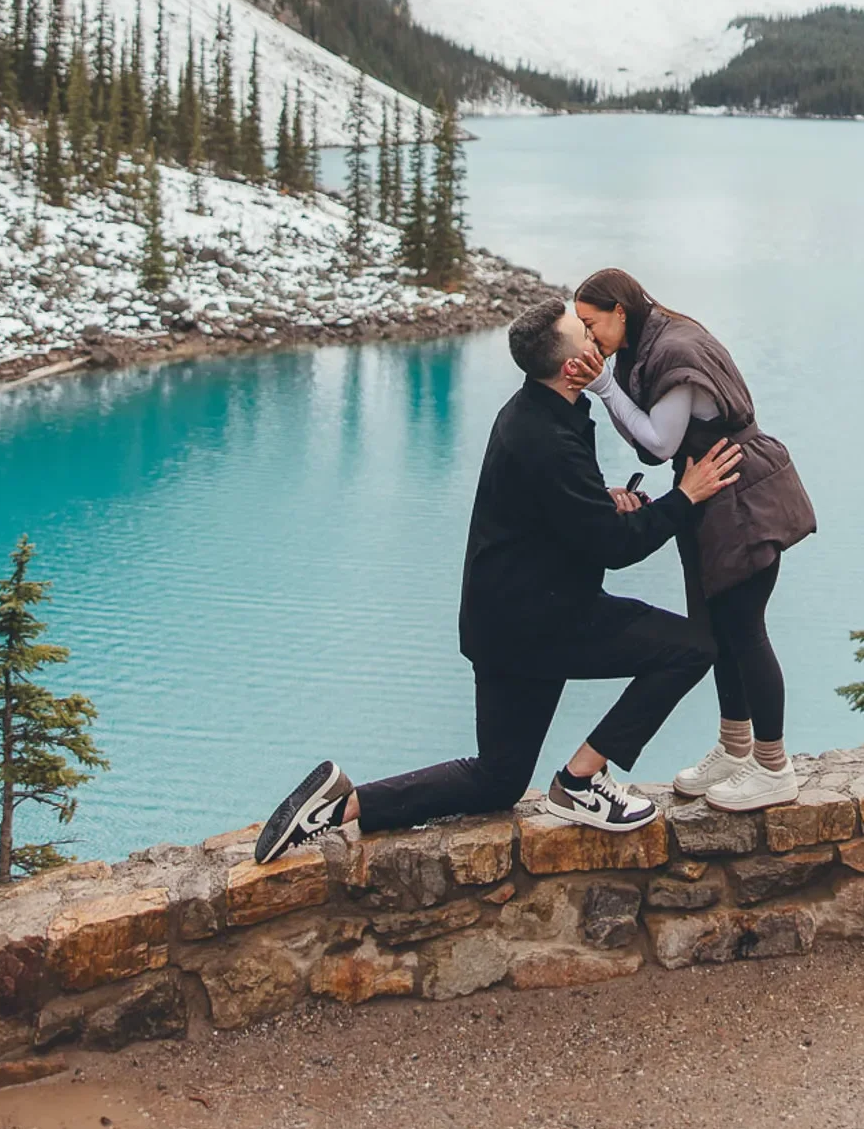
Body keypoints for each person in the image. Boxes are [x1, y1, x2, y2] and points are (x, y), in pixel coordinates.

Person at [253, 295, 742, 864]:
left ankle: (342, 804)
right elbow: (615, 547)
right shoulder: (549, 439)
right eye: (583, 335)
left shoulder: (534, 412)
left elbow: (554, 510)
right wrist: (685, 497)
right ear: (570, 369)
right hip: (547, 622)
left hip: (502, 623)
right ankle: (582, 781)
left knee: (498, 780)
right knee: (690, 648)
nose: (594, 339)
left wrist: (600, 501)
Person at [565, 269, 816, 814]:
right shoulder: (649, 341)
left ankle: (774, 767)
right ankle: (735, 747)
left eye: (591, 324)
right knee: (715, 629)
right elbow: (652, 437)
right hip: (709, 497)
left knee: (745, 632)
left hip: (739, 497)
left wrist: (604, 387)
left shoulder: (675, 353)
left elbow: (657, 442)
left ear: (620, 313)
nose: (589, 338)